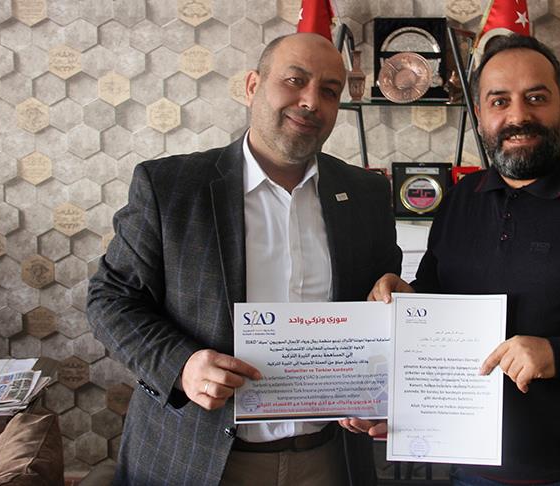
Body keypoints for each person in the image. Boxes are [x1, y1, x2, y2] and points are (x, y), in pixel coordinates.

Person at [342, 35, 560, 485]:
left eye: (536, 98)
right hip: (473, 470)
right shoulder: (461, 200)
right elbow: (439, 299)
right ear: (479, 114)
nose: (517, 116)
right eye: (499, 101)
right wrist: (408, 298)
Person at [88, 33, 401, 486]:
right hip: (198, 460)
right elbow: (110, 299)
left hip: (330, 460)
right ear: (253, 85)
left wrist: (392, 326)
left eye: (330, 91)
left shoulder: (367, 194)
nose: (311, 101)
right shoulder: (171, 186)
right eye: (294, 80)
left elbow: (382, 304)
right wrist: (182, 366)